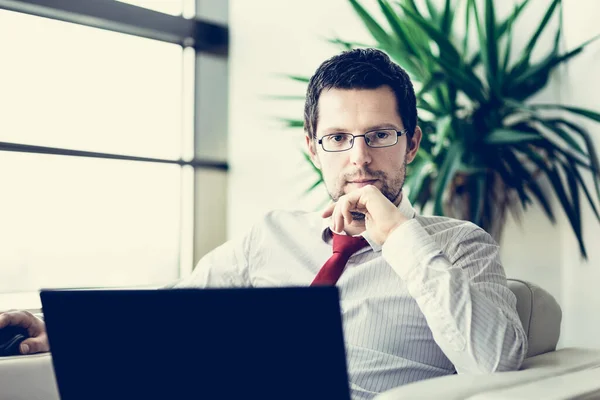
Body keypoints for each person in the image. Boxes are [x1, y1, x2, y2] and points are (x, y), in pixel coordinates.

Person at [0, 48, 527, 399]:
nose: (359, 159)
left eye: (381, 136)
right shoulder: (271, 236)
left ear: (412, 143)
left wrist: (397, 238)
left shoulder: (460, 247)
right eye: (338, 138)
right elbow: (171, 313)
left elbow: (498, 366)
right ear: (313, 147)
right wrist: (59, 330)